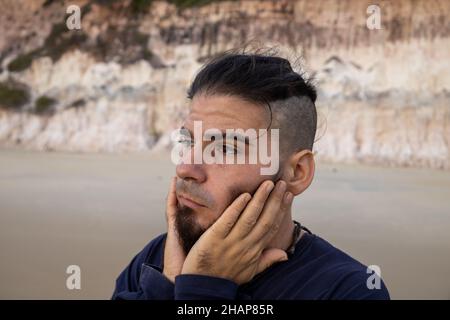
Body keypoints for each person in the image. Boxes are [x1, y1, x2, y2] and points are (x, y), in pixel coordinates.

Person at [112, 52, 390, 300]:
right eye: (188, 142)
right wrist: (170, 281)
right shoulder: (154, 260)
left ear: (297, 173)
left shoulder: (349, 289)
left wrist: (202, 287)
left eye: (225, 148)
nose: (186, 168)